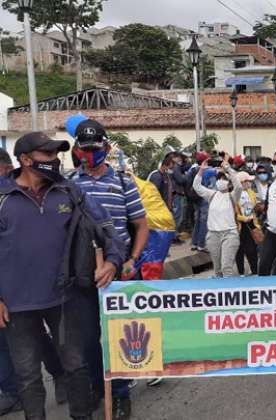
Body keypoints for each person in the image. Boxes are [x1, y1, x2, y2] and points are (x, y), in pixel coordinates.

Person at [1, 132, 122, 420]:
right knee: (28, 376)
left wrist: (113, 262)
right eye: (48, 155)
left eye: (57, 155)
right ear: (25, 160)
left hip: (66, 298)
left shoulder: (70, 191)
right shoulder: (2, 198)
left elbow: (106, 228)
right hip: (16, 306)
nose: (54, 161)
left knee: (76, 366)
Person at [69, 119, 150, 419]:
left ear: (106, 147)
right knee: (88, 338)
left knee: (119, 336)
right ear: (77, 150)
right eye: (85, 148)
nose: (91, 153)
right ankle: (96, 387)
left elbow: (141, 226)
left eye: (96, 147)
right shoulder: (69, 184)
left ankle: (120, 394)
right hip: (83, 274)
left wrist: (132, 260)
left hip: (119, 272)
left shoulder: (123, 183)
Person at [192, 160, 242, 277]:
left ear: (229, 183)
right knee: (218, 269)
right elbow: (196, 187)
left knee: (226, 268)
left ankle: (228, 293)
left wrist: (228, 170)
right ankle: (219, 293)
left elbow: (239, 186)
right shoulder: (212, 194)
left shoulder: (233, 196)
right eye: (219, 178)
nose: (221, 181)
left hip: (229, 234)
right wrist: (201, 171)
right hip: (213, 235)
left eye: (224, 179)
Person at [234, 171, 260, 276]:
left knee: (252, 250)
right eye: (248, 181)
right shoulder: (235, 195)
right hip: (240, 226)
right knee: (239, 250)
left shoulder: (251, 192)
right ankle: (241, 273)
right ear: (242, 182)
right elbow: (233, 214)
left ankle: (255, 271)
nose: (249, 183)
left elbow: (254, 207)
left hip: (251, 224)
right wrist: (243, 218)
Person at [188, 151, 210, 252]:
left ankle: (194, 243)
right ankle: (201, 244)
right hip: (203, 198)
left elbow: (187, 182)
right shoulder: (206, 170)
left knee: (197, 221)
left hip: (194, 197)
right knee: (203, 221)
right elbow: (208, 185)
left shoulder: (191, 169)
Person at [147, 153, 176, 217]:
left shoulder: (166, 175)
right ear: (164, 166)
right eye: (170, 167)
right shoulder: (156, 176)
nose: (171, 169)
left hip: (165, 207)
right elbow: (154, 194)